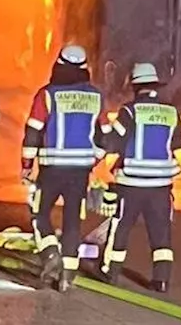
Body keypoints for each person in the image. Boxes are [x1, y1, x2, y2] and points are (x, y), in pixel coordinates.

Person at [96, 62, 181, 293]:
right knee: (161, 231)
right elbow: (178, 141)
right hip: (161, 186)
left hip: (132, 183)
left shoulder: (129, 111)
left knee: (121, 227)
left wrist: (103, 134)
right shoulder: (171, 112)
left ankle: (111, 271)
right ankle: (162, 279)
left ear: (136, 87)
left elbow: (113, 142)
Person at [22, 44, 106, 292]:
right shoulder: (96, 96)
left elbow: (33, 131)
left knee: (40, 213)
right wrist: (93, 160)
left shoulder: (47, 94)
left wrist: (27, 165)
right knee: (72, 221)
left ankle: (50, 254)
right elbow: (107, 138)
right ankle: (68, 274)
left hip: (51, 169)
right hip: (80, 171)